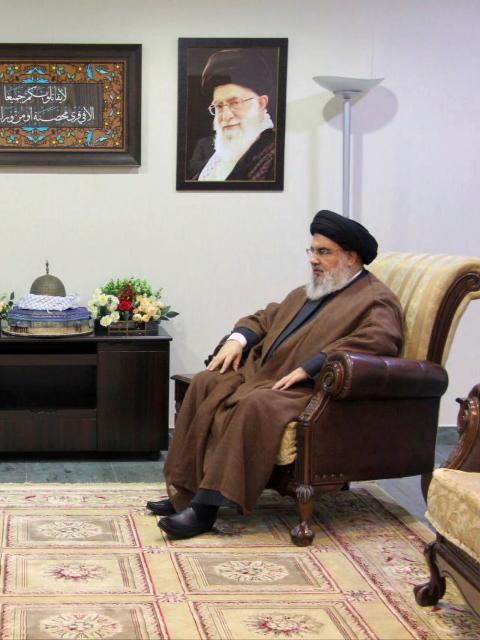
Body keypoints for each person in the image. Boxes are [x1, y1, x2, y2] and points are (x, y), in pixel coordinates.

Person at [148, 210, 403, 539]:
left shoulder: (375, 300)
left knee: (257, 404)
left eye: (323, 252)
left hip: (311, 390)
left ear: (352, 258)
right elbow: (264, 318)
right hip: (263, 372)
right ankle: (184, 491)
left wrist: (310, 366)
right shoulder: (311, 290)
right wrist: (237, 341)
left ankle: (204, 510)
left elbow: (379, 341)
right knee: (205, 381)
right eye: (311, 251)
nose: (313, 260)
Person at [190, 48, 278, 182]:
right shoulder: (219, 158)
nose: (226, 116)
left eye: (235, 103)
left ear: (261, 103)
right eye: (219, 106)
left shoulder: (274, 154)